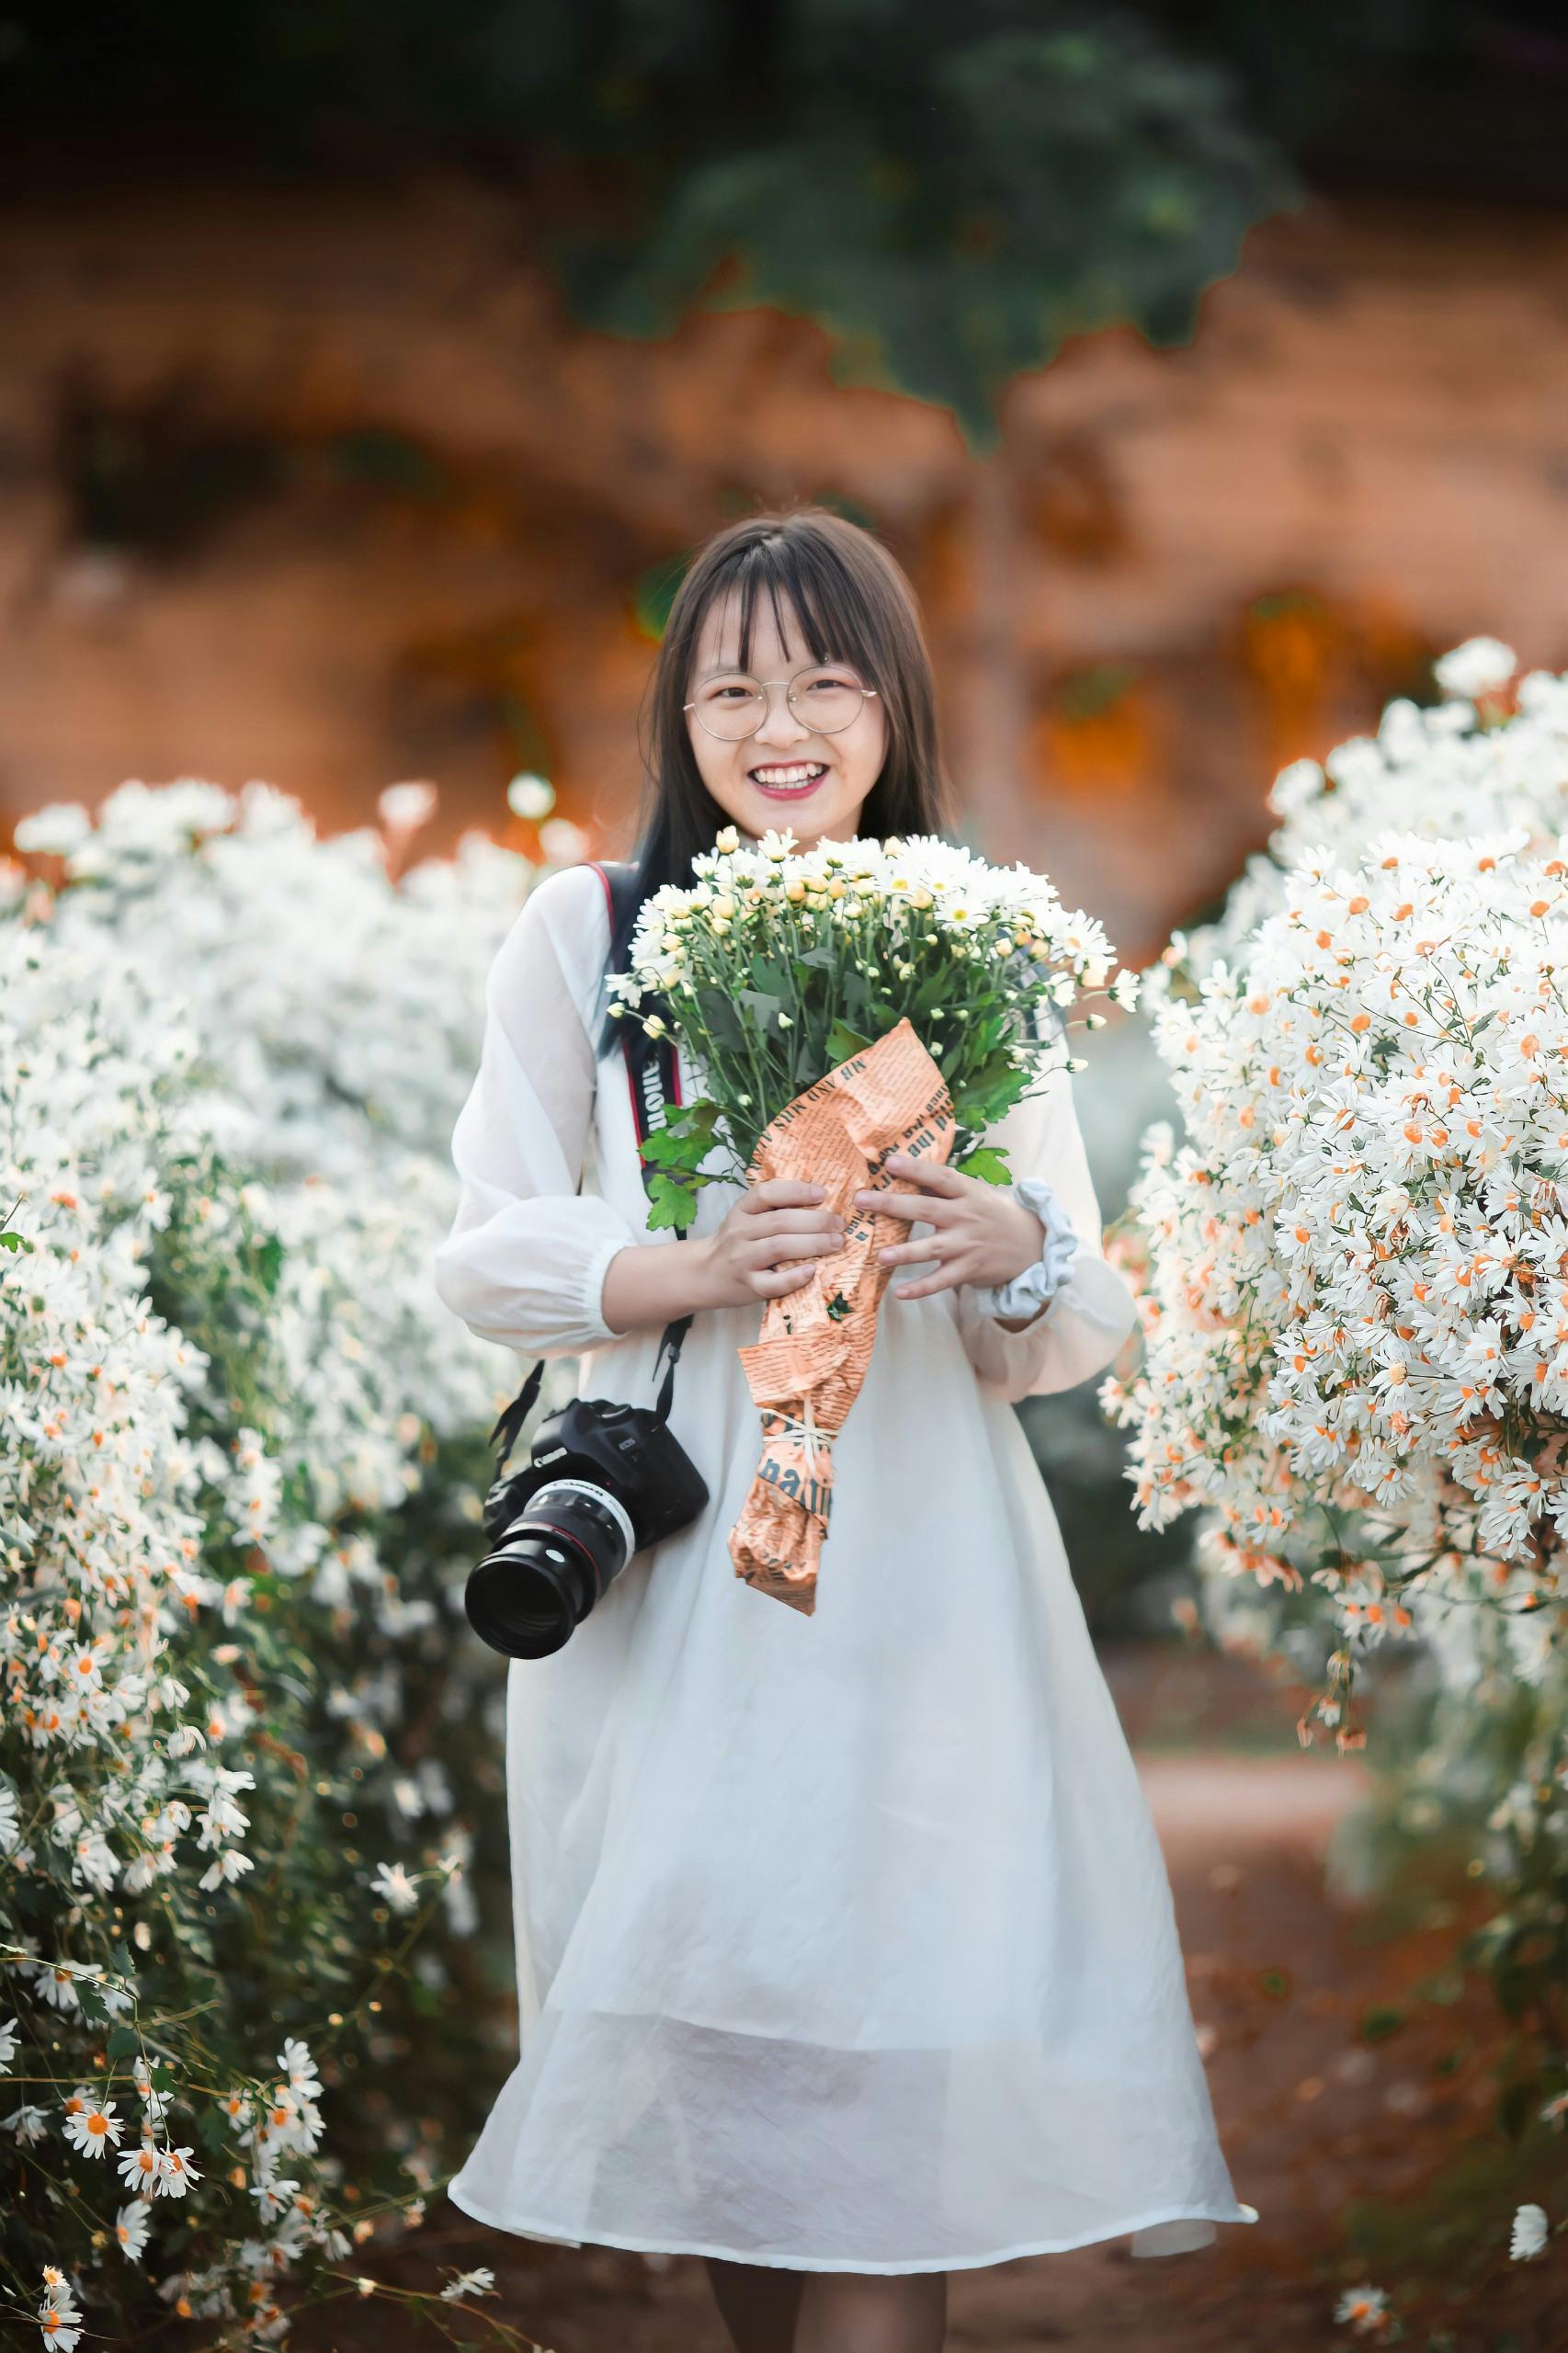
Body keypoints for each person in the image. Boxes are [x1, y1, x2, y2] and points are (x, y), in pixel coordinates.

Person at [433, 506, 1257, 2353]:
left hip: (909, 1566)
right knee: (723, 2034)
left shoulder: (964, 937)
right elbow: (486, 1248)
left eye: (821, 674)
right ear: (679, 713)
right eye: (730, 683)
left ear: (891, 702)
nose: (776, 719)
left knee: (892, 2005)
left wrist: (1010, 1241)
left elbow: (1069, 1315)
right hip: (680, 1560)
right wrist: (690, 1262)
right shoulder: (592, 932)